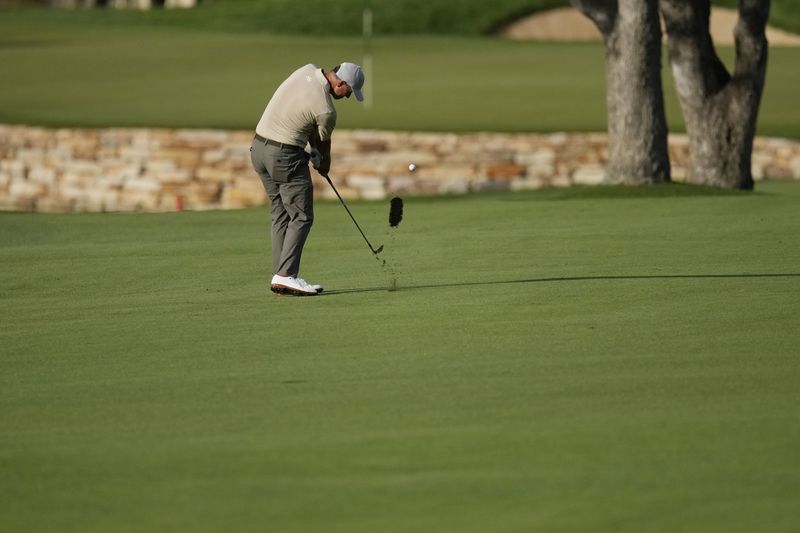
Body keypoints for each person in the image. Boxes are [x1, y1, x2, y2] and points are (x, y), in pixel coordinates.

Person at [250, 62, 365, 296]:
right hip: (284, 156)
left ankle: (281, 275)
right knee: (302, 216)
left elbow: (307, 121)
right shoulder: (327, 110)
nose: (348, 96)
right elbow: (322, 146)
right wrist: (324, 167)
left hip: (258, 149)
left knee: (281, 213)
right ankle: (286, 276)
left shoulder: (305, 70)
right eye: (349, 91)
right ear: (341, 83)